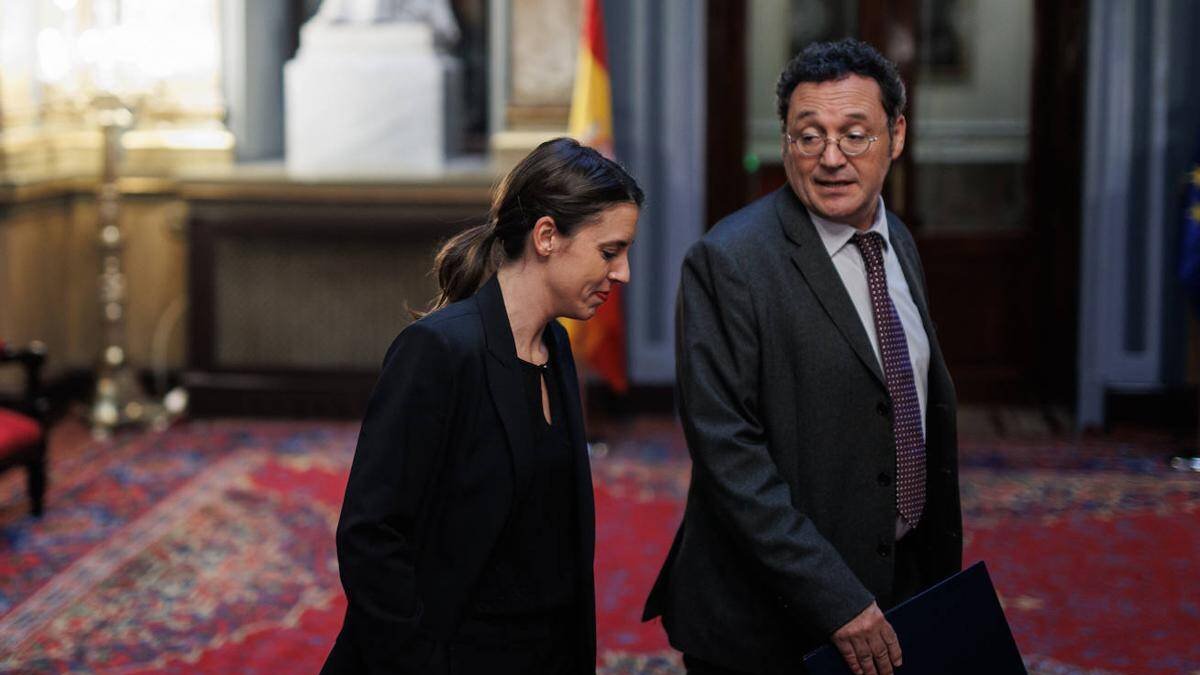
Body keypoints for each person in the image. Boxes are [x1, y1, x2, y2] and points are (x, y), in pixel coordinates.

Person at [643, 38, 962, 675]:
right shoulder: (730, 262)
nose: (831, 159)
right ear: (786, 141)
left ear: (896, 136)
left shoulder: (895, 239)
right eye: (808, 136)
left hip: (895, 595)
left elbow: (901, 404)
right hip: (769, 626)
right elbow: (729, 458)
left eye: (855, 134)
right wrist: (837, 599)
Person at [322, 137, 643, 674]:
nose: (623, 273)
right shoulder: (440, 350)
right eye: (610, 252)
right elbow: (371, 536)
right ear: (546, 237)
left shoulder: (556, 346)